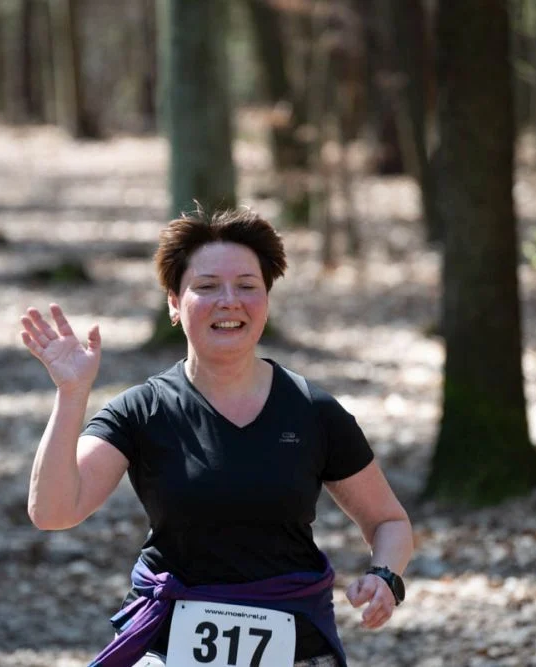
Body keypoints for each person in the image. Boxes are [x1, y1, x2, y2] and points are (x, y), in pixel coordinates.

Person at [23, 207, 413, 667]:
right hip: (168, 647)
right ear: (174, 303)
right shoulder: (142, 410)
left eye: (247, 286)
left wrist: (385, 576)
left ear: (266, 299)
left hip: (298, 647)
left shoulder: (313, 410)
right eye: (207, 287)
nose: (229, 301)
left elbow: (389, 521)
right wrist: (72, 394)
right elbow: (53, 511)